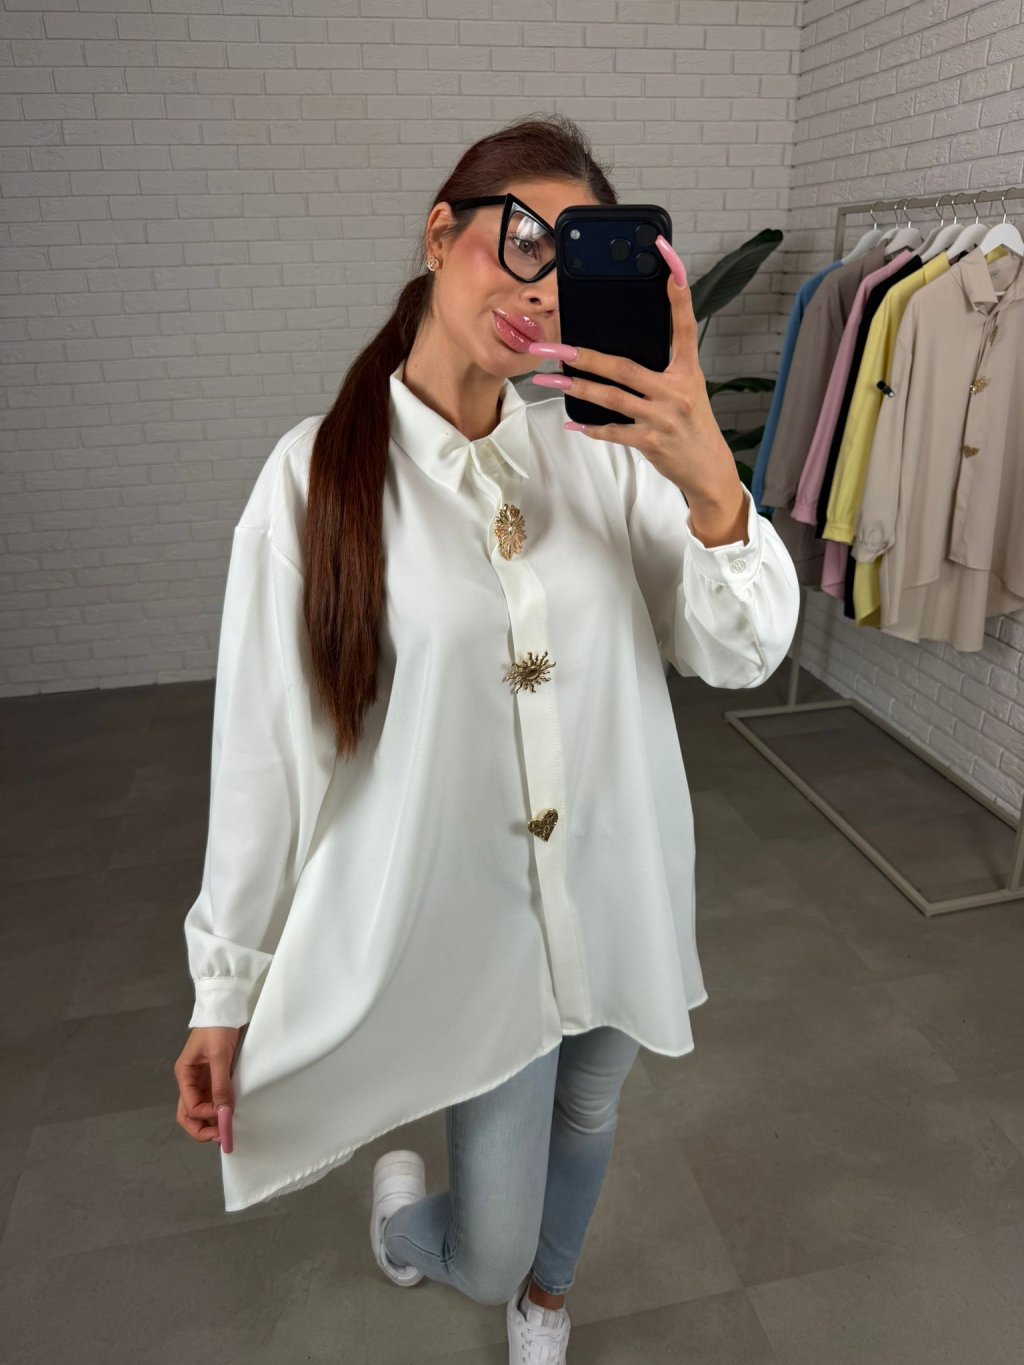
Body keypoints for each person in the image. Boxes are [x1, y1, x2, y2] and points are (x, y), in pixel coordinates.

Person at [173, 113, 800, 1363]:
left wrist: (707, 479)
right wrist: (225, 988)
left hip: (616, 885)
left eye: (577, 263)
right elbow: (264, 760)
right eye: (523, 241)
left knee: (592, 1110)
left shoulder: (606, 459)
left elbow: (740, 651)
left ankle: (546, 1304)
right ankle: (421, 1230)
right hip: (475, 926)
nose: (543, 288)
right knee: (489, 1239)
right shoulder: (310, 484)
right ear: (438, 234)